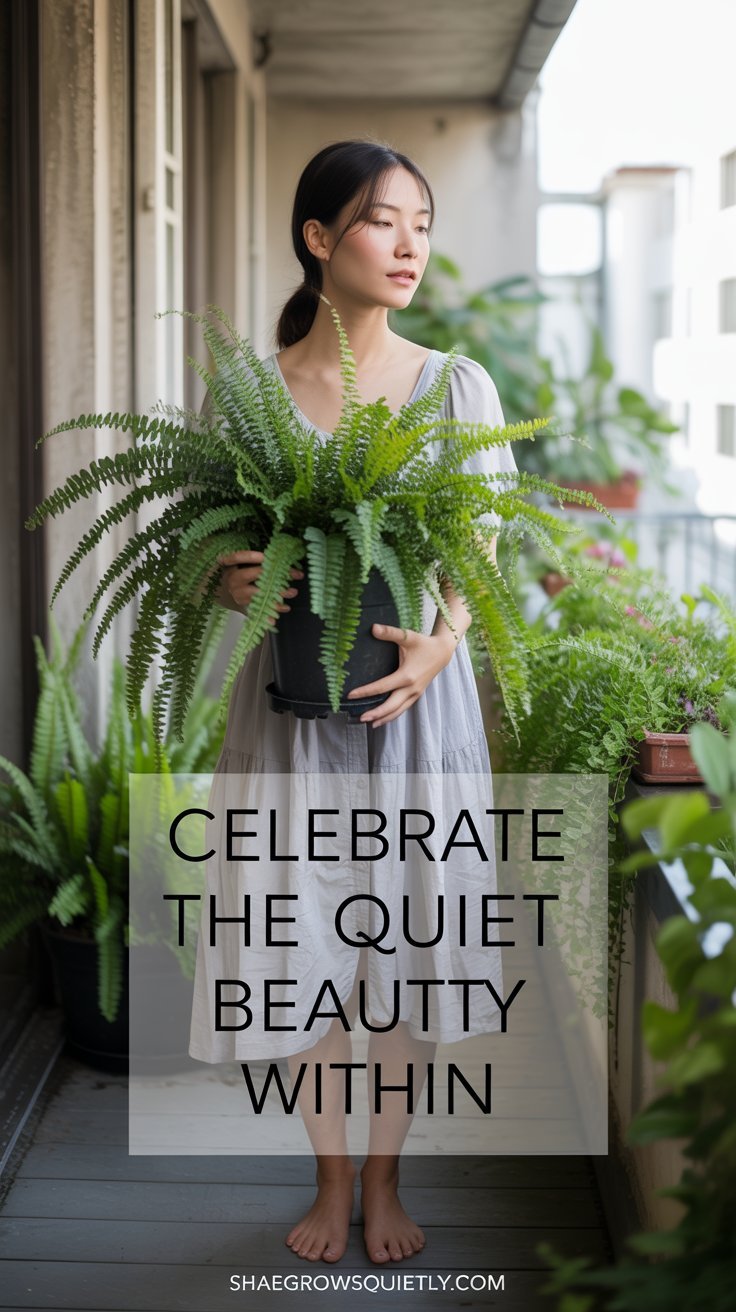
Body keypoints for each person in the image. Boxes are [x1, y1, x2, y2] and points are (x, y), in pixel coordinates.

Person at [188, 138, 518, 1266]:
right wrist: (229, 580)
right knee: (298, 943)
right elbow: (206, 549)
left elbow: (479, 558)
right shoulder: (248, 397)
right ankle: (330, 1178)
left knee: (404, 951)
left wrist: (443, 650)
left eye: (422, 222)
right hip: (288, 720)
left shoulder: (455, 388)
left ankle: (385, 1177)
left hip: (415, 714)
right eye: (384, 220)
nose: (410, 243)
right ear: (319, 237)